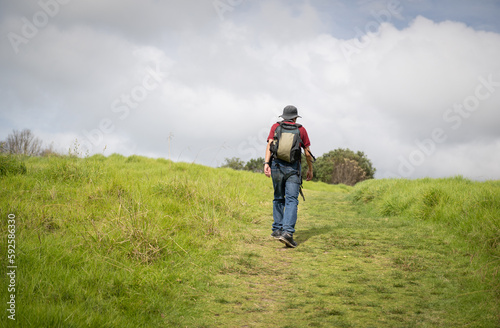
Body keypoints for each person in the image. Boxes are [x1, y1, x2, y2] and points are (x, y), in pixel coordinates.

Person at [264, 105, 314, 248]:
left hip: (276, 166)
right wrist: (310, 169)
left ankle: (277, 229)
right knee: (292, 200)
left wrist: (266, 163)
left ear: (283, 117)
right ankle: (287, 233)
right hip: (293, 168)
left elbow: (269, 146)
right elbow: (308, 153)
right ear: (295, 117)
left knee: (278, 197)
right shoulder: (301, 130)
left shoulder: (275, 127)